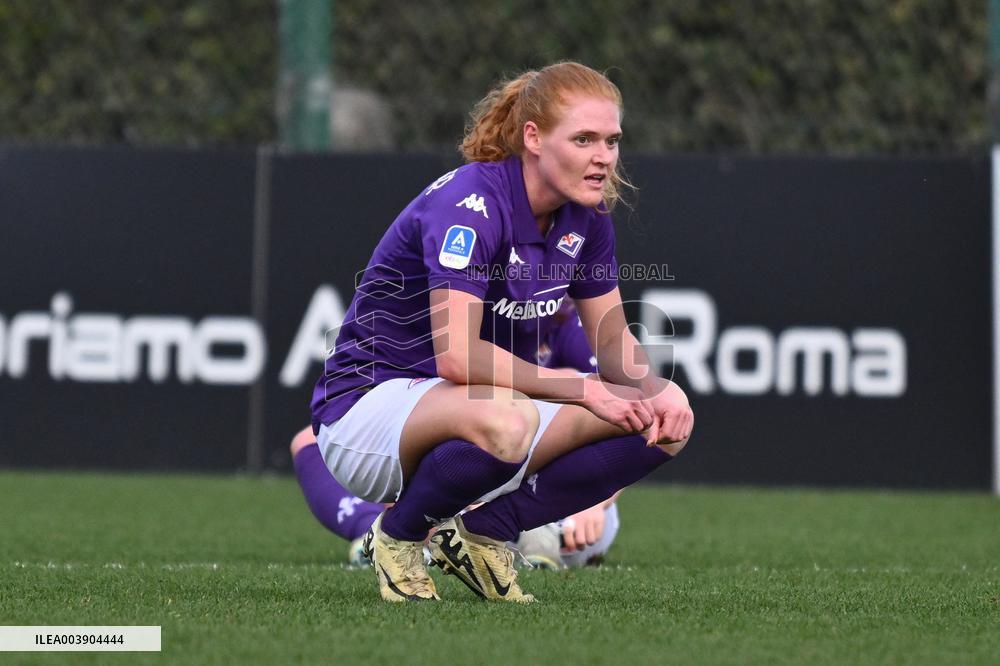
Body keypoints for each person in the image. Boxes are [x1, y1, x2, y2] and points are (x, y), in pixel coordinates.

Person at [309, 61, 694, 603]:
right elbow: (459, 359)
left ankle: (488, 532)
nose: (603, 157)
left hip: (473, 409)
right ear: (532, 138)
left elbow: (613, 346)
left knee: (666, 416)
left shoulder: (587, 218)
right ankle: (398, 537)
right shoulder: (470, 205)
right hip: (365, 413)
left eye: (611, 140)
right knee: (511, 416)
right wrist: (582, 388)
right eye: (583, 139)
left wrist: (657, 392)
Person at [293, 300, 621, 569]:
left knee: (585, 398)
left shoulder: (563, 319)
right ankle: (373, 530)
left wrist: (594, 503)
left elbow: (623, 414)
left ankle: (534, 529)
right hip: (458, 483)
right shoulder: (449, 315)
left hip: (548, 498)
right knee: (309, 440)